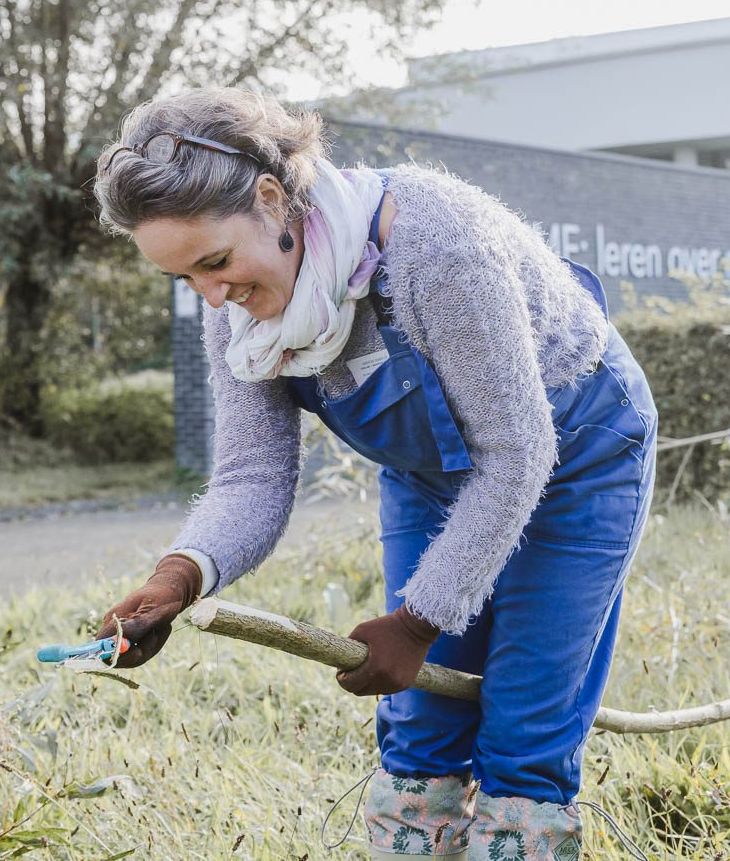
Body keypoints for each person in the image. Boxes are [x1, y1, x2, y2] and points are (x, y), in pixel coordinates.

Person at [92, 87, 657, 861]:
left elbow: (518, 455)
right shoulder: (239, 314)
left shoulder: (435, 246)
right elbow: (252, 478)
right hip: (432, 474)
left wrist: (421, 618)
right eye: (185, 279)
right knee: (422, 724)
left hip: (577, 455)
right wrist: (179, 575)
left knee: (525, 721)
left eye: (216, 262)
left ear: (270, 200)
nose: (214, 297)